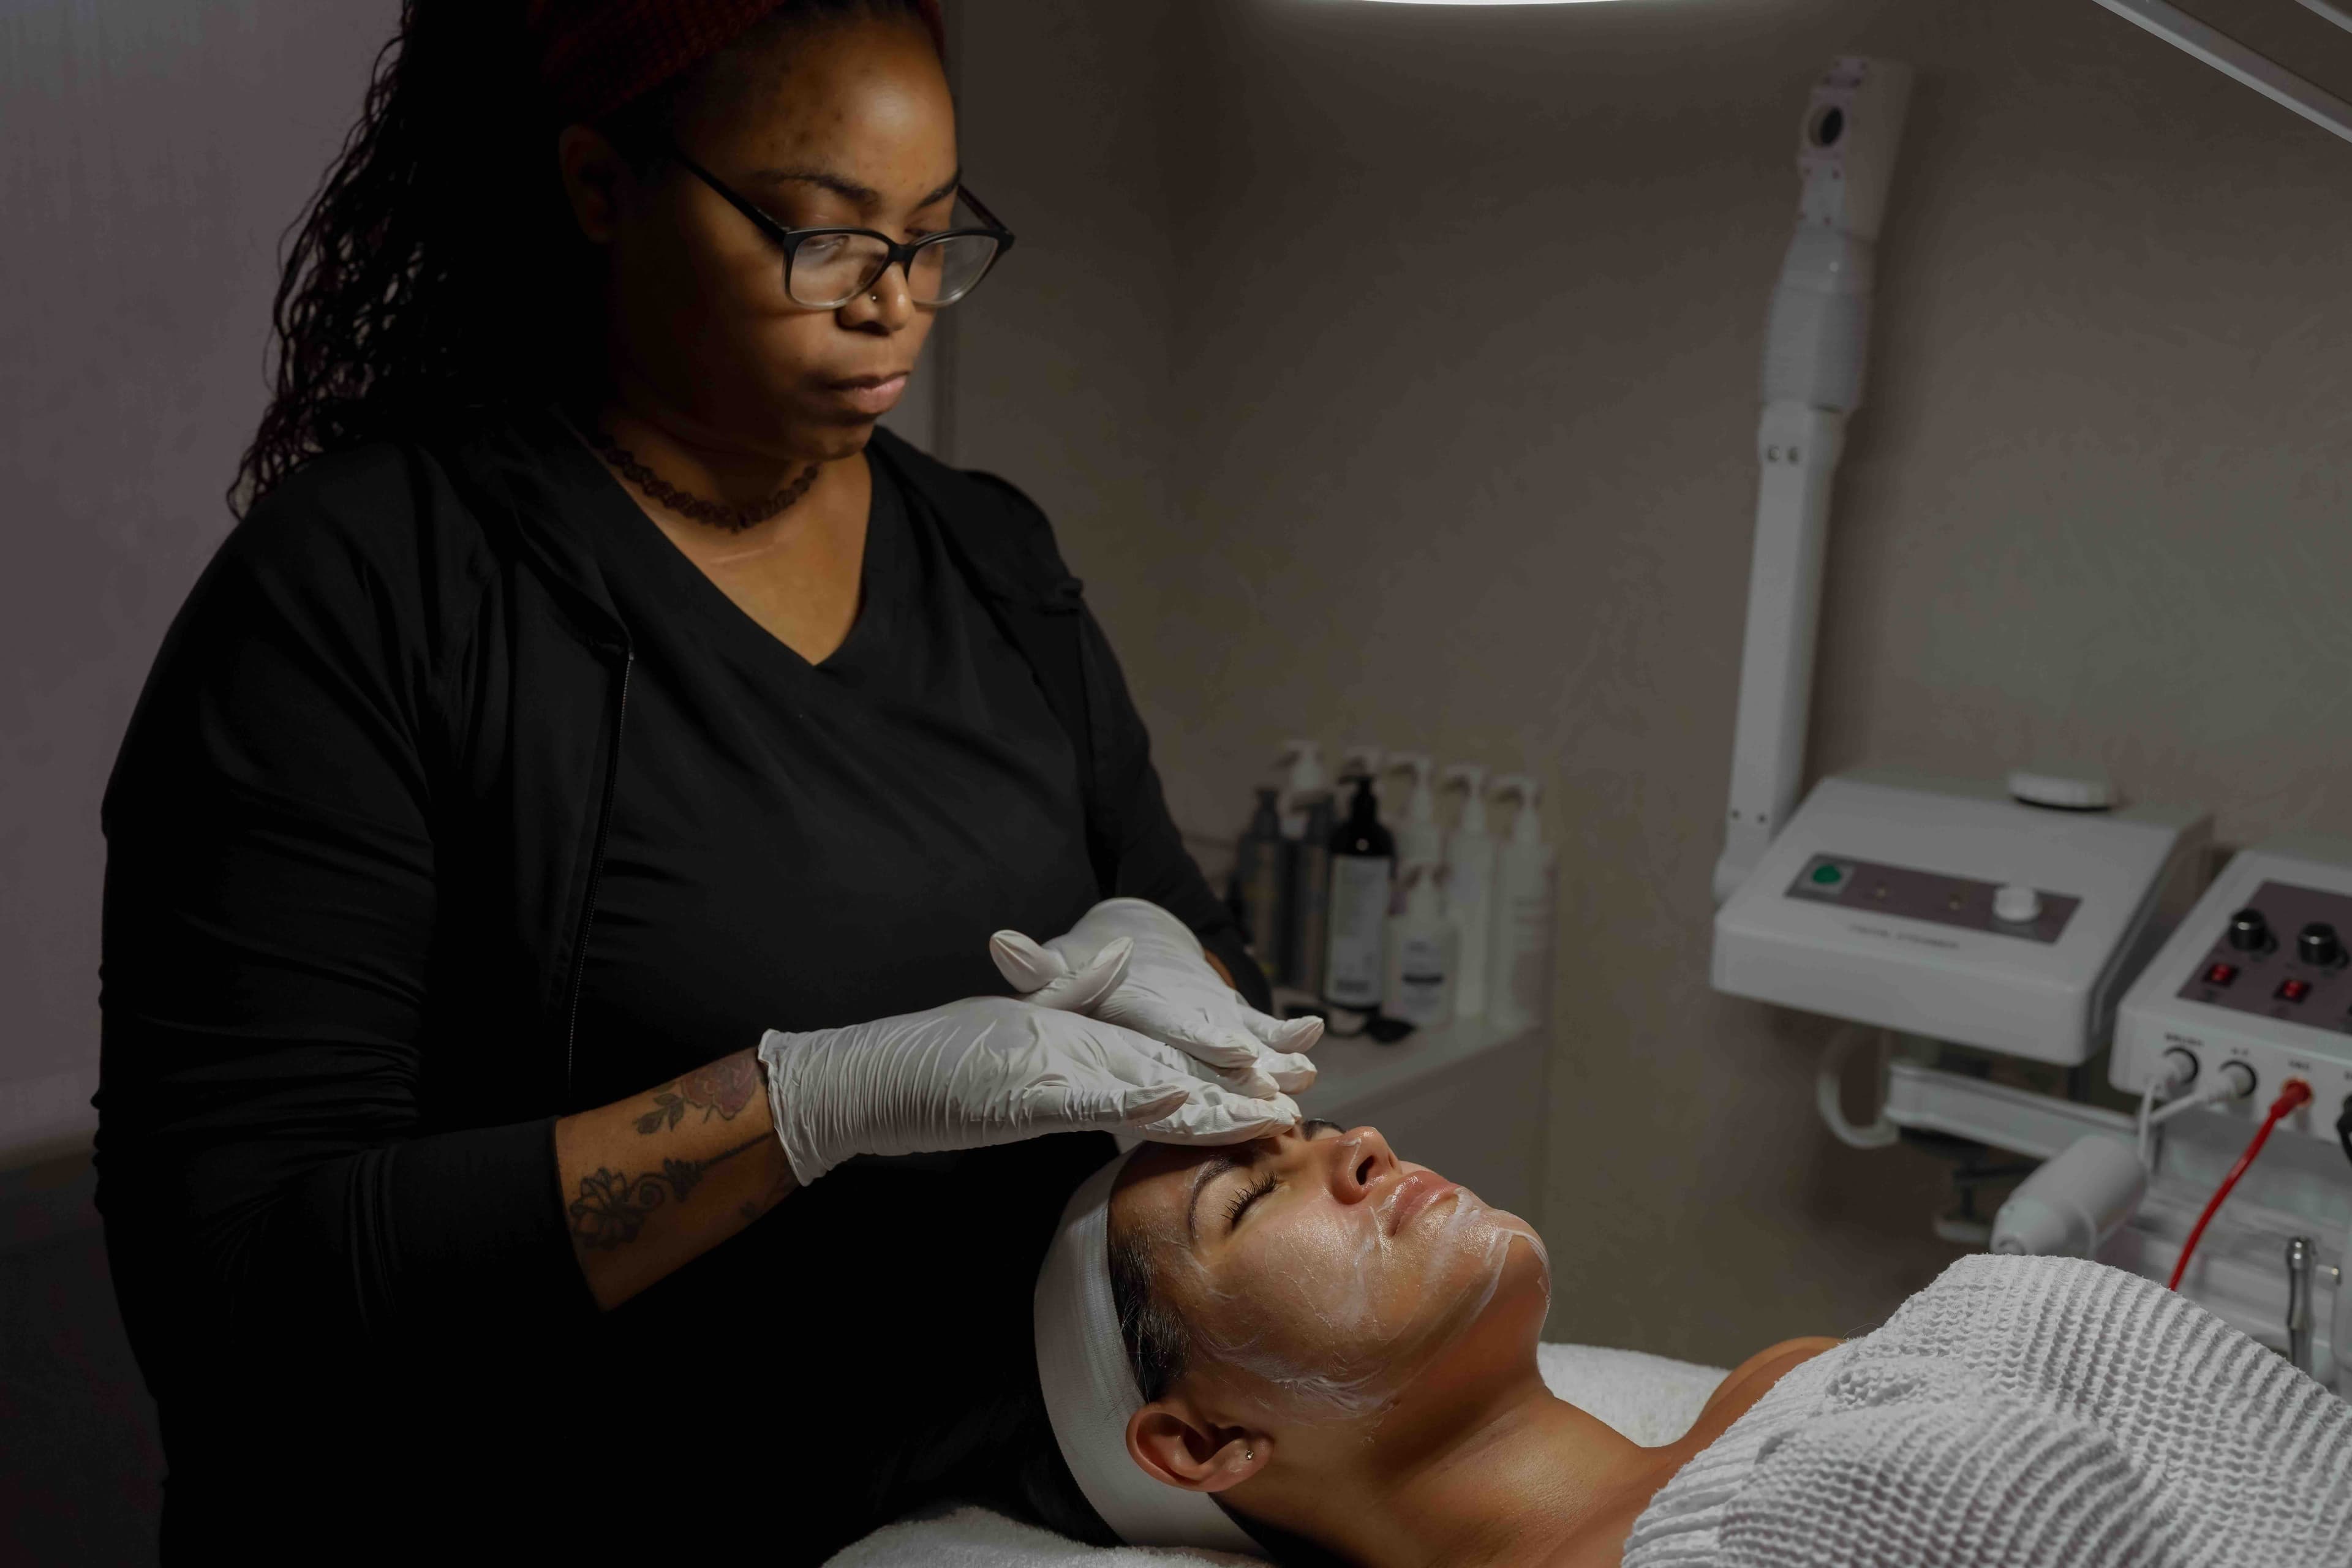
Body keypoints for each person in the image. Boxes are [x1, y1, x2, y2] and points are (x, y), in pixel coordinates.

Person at [96, 2, 1314, 1558]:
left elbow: (1214, 964)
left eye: (934, 235)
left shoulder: (993, 558)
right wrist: (807, 1104)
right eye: (826, 236)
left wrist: (1174, 959)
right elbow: (242, 1289)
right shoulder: (362, 595)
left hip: (953, 1519)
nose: (896, 304)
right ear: (602, 185)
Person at [1029, 1123, 2352, 1566]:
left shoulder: (1793, 1374)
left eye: (1325, 1129)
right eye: (1251, 1197)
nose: (1361, 1146)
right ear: (1204, 1439)